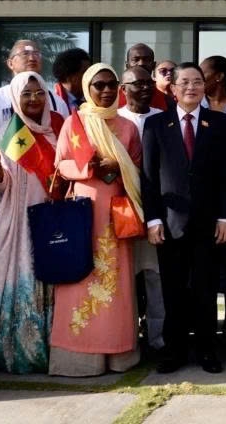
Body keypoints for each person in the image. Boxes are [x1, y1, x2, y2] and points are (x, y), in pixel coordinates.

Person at [142, 63, 226, 374]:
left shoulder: (220, 123)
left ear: (205, 87)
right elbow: (148, 178)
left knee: (206, 290)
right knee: (173, 291)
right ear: (172, 89)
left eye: (197, 81)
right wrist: (153, 220)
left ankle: (207, 350)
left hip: (209, 223)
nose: (191, 87)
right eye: (184, 82)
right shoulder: (156, 125)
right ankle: (175, 350)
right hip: (169, 224)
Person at [50, 64, 142, 376]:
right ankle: (78, 360)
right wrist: (89, 168)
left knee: (116, 282)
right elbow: (60, 166)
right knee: (80, 278)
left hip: (116, 213)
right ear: (87, 88)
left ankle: (118, 356)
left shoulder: (128, 126)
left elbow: (139, 169)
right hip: (82, 212)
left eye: (111, 85)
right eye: (98, 85)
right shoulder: (73, 123)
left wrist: (117, 165)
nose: (105, 91)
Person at [0, 71, 64, 373]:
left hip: (56, 218)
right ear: (16, 97)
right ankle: (24, 354)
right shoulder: (8, 131)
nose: (33, 99)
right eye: (26, 93)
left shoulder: (59, 126)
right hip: (19, 223)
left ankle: (60, 353)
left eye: (38, 92)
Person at [117, 66, 165, 356]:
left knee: (155, 277)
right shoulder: (113, 120)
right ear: (124, 88)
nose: (145, 88)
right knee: (123, 279)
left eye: (149, 83)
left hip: (156, 211)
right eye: (138, 83)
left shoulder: (163, 120)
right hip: (119, 211)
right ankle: (126, 338)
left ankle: (158, 339)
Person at [0, 40, 70, 128]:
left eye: (36, 54)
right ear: (10, 63)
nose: (32, 58)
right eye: (25, 54)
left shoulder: (56, 101)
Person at [117, 44, 168, 111]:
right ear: (127, 65)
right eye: (136, 60)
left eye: (146, 59)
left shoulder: (166, 101)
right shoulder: (112, 98)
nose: (141, 63)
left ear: (153, 65)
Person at [51, 47, 91, 112]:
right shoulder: (52, 103)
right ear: (70, 76)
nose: (91, 76)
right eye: (85, 72)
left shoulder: (94, 99)